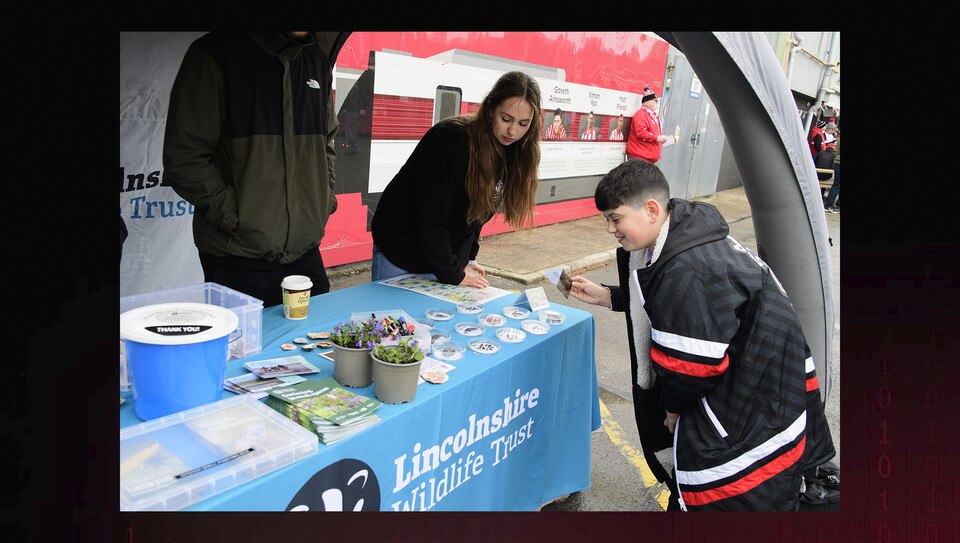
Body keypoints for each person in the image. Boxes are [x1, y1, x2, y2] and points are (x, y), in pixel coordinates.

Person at [569, 160, 835, 511]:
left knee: (729, 498)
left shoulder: (687, 268)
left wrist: (674, 410)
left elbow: (691, 364)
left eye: (615, 218)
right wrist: (610, 296)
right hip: (771, 392)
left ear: (651, 210)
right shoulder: (692, 234)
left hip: (744, 410)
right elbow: (684, 310)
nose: (610, 229)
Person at [163, 32, 339, 307]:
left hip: (306, 255)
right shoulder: (215, 54)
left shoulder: (315, 59)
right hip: (237, 256)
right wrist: (234, 216)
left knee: (313, 345)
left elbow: (326, 142)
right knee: (241, 349)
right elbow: (185, 157)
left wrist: (324, 198)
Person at [369, 71, 543, 288]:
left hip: (441, 255)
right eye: (505, 119)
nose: (513, 131)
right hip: (403, 248)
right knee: (392, 320)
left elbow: (478, 209)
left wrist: (469, 257)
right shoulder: (451, 140)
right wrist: (454, 274)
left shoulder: (515, 150)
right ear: (490, 109)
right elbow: (431, 216)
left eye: (523, 123)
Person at [625, 86, 669, 163]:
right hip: (640, 157)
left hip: (647, 157)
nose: (657, 102)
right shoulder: (641, 115)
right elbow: (641, 133)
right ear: (647, 102)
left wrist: (661, 138)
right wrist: (657, 138)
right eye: (655, 100)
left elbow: (655, 133)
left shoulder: (652, 115)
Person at [824, 136, 841, 213]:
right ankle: (829, 205)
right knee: (837, 185)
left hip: (837, 162)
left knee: (836, 185)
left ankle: (829, 204)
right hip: (839, 163)